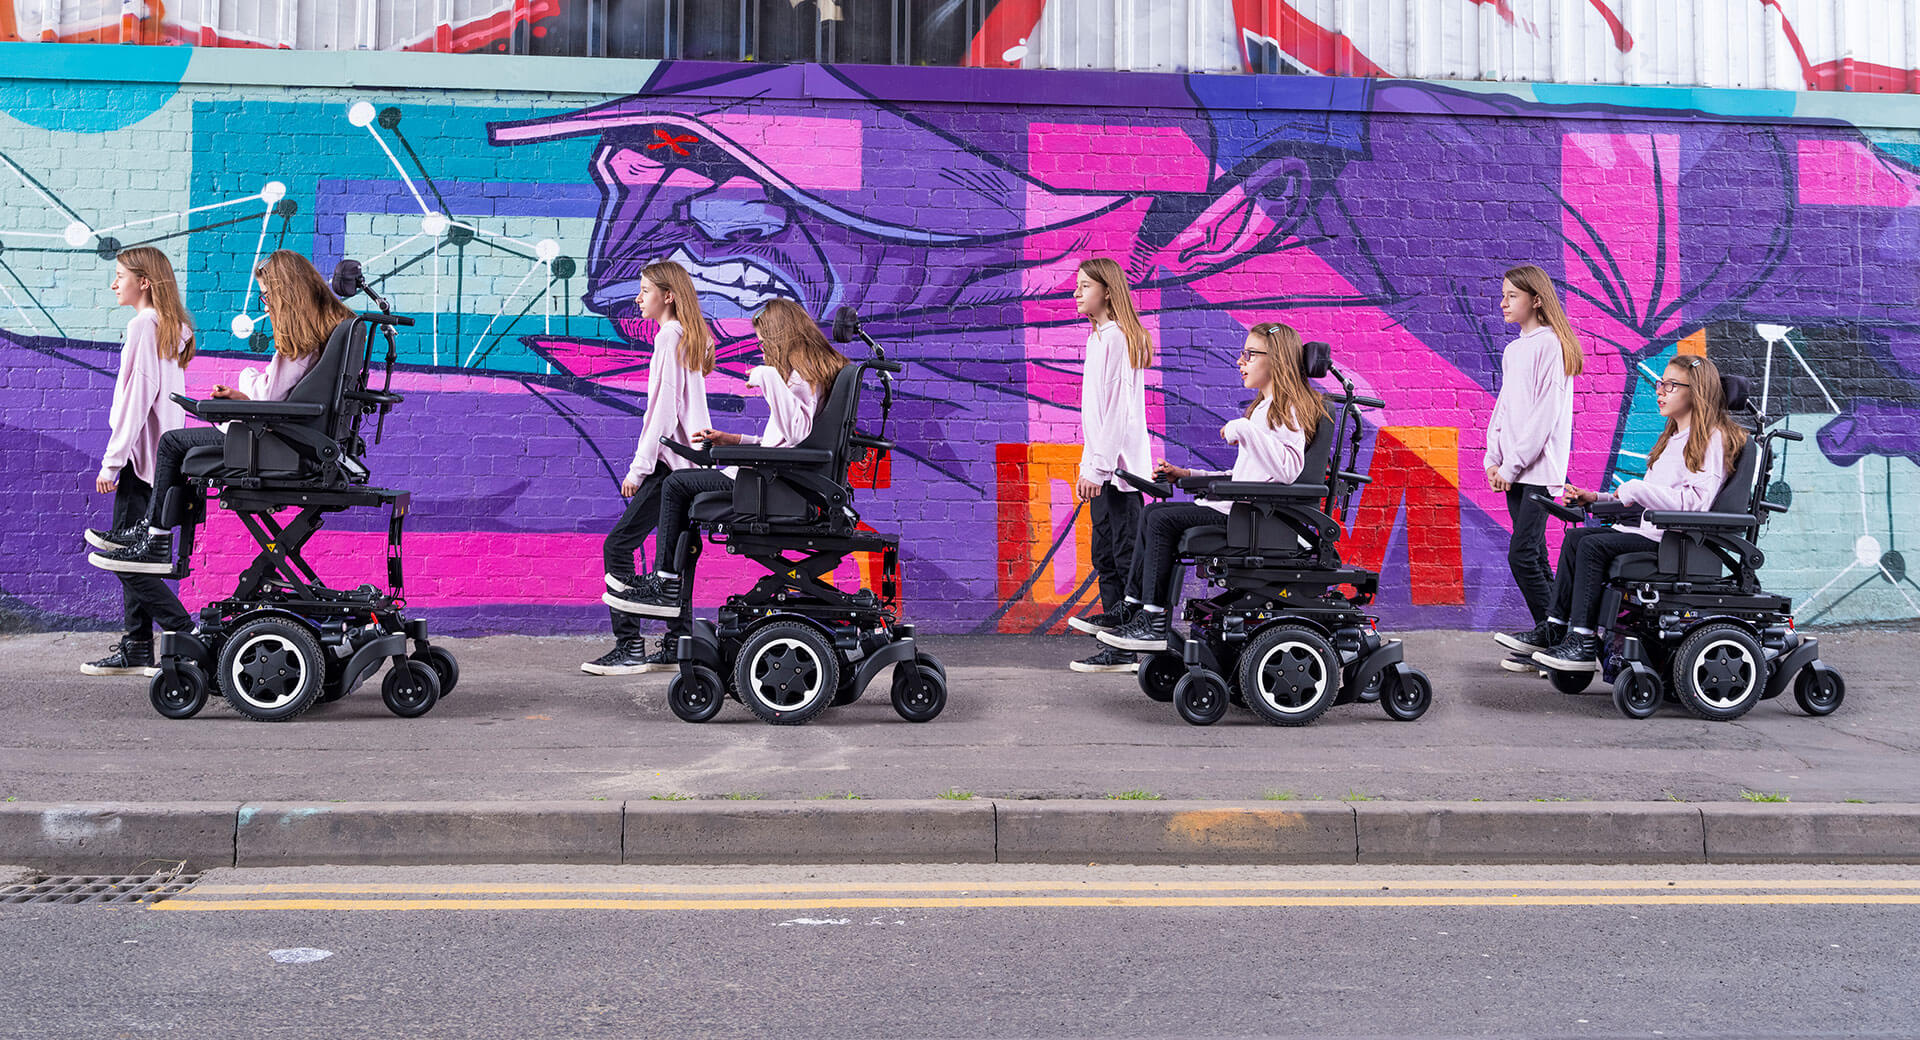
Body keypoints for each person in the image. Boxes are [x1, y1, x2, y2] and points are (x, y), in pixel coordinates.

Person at [89, 250, 353, 575]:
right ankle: (150, 531)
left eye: (267, 296)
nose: (265, 306)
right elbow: (282, 397)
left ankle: (155, 538)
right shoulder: (324, 331)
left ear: (286, 293)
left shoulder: (298, 340)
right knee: (182, 444)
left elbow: (270, 394)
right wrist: (243, 399)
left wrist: (246, 379)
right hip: (294, 439)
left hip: (276, 444)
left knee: (171, 443)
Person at [603, 298, 847, 620]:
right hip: (776, 477)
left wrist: (768, 376)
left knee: (675, 484)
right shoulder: (807, 373)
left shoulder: (798, 377)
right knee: (682, 486)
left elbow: (797, 431)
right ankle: (668, 586)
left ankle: (666, 584)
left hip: (769, 485)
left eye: (763, 340)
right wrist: (733, 440)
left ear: (779, 335)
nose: (761, 347)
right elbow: (786, 444)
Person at [1096, 322, 1325, 653]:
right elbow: (1247, 475)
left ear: (1275, 359)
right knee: (1151, 514)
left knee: (1159, 519)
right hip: (1244, 512)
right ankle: (1133, 608)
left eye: (1249, 354)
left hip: (1255, 520)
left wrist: (1244, 429)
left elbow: (1289, 470)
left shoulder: (1287, 409)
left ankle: (1154, 622)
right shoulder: (1264, 409)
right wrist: (1188, 473)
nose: (1240, 361)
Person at [1530, 354, 1748, 671]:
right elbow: (1646, 498)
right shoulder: (1673, 439)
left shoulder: (1711, 439)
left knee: (1591, 546)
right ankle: (1555, 628)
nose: (1659, 391)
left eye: (1670, 385)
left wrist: (1635, 488)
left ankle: (1583, 641)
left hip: (1677, 543)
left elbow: (1695, 503)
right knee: (1576, 539)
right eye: (1660, 383)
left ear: (1697, 392)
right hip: (1655, 532)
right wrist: (1596, 498)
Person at [583, 260, 716, 676]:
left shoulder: (669, 337)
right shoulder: (687, 336)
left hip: (669, 464)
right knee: (677, 556)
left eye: (645, 291)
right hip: (691, 463)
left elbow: (663, 411)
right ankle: (677, 643)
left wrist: (638, 468)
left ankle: (629, 646)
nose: (638, 298)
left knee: (618, 546)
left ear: (668, 296)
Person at [78, 247, 196, 676]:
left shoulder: (144, 325)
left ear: (144, 281)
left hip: (138, 458)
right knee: (138, 558)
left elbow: (137, 400)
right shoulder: (170, 328)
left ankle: (184, 632)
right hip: (161, 460)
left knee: (125, 561)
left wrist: (112, 461)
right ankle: (138, 648)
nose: (114, 284)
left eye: (120, 275)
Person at [1485, 265, 1584, 672]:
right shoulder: (1514, 350)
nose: (1503, 303)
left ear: (1537, 300)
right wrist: (1493, 459)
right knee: (1537, 556)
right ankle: (1556, 646)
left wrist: (1510, 466)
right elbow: (1505, 409)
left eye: (1513, 296)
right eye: (1503, 295)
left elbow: (1544, 418)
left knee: (1522, 554)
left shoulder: (1551, 346)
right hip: (1514, 470)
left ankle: (1552, 635)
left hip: (1539, 472)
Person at [1065, 257, 1155, 674]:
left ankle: (1128, 645)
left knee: (1123, 556)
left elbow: (1118, 413)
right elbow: (1095, 417)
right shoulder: (1097, 339)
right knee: (1105, 555)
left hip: (1121, 475)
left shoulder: (1119, 338)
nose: (1077, 292)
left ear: (1107, 291)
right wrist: (1089, 466)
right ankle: (1116, 646)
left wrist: (1098, 469)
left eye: (1085, 286)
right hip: (1103, 470)